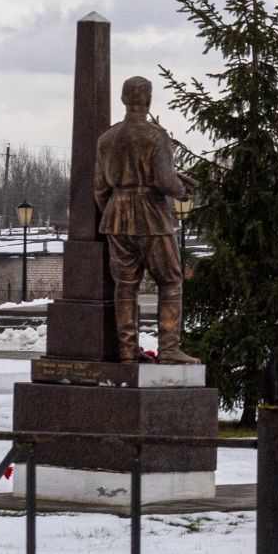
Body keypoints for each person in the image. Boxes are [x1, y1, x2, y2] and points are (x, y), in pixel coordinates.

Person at [93, 75, 197, 364]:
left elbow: (100, 189)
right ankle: (169, 349)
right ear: (148, 100)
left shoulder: (106, 138)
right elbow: (165, 181)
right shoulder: (155, 135)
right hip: (150, 216)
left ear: (124, 100)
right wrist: (181, 187)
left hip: (116, 216)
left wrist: (115, 210)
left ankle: (127, 351)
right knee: (171, 281)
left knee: (125, 285)